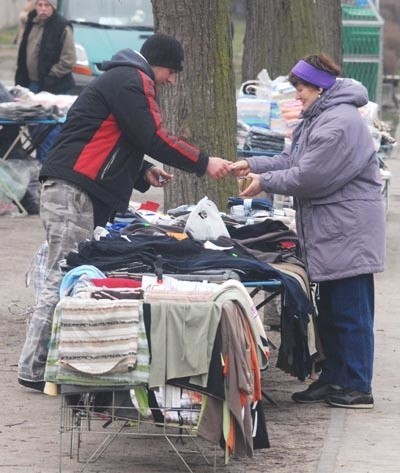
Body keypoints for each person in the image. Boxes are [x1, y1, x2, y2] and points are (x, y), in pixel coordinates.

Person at [17, 32, 231, 392]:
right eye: (172, 72)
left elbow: (115, 136)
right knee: (65, 276)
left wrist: (141, 171)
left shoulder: (121, 78)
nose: (172, 80)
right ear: (157, 63)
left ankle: (52, 364)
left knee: (71, 277)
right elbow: (152, 135)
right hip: (74, 191)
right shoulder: (133, 80)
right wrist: (204, 163)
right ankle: (35, 368)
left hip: (74, 189)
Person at [230, 54, 385, 409]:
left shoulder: (339, 123)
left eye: (300, 88)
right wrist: (252, 164)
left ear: (319, 87)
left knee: (351, 312)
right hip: (334, 230)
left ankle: (358, 385)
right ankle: (334, 378)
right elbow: (292, 161)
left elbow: (310, 176)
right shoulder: (320, 117)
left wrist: (264, 182)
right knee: (330, 310)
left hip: (348, 230)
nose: (296, 95)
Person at [15, 0, 76, 95]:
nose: (43, 9)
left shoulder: (62, 27)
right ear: (35, 6)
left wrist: (51, 76)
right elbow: (23, 51)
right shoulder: (31, 22)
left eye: (47, 5)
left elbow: (68, 59)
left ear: (53, 7)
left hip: (55, 87)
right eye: (40, 5)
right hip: (31, 84)